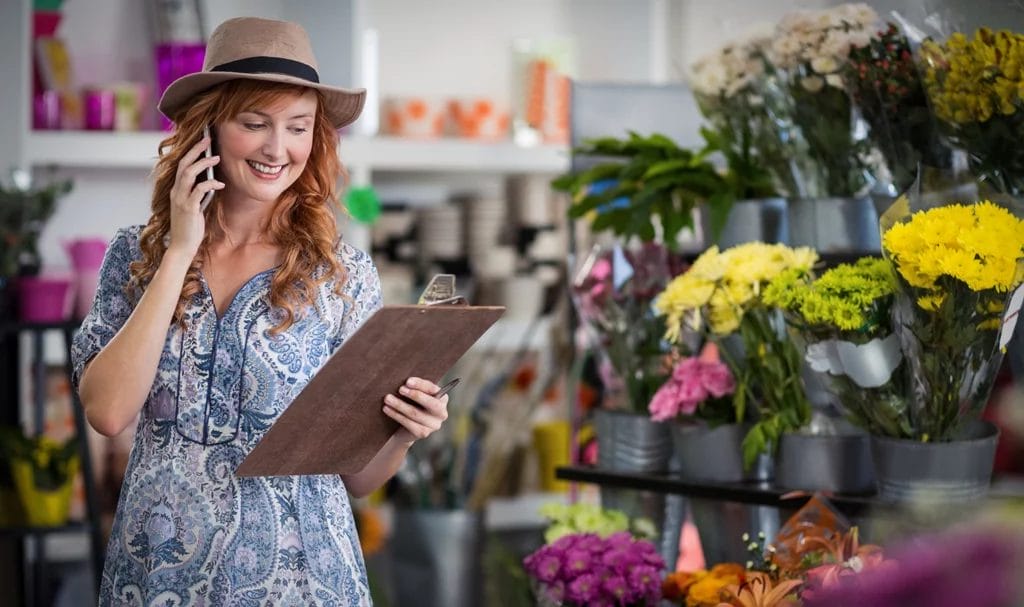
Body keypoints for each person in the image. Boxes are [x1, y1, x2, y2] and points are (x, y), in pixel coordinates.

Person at [71, 17, 449, 606]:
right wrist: (178, 250)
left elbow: (359, 479)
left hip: (302, 579)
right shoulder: (135, 255)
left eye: (298, 127)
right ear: (208, 132)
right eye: (255, 124)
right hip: (158, 576)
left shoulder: (341, 276)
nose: (279, 149)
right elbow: (108, 412)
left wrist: (403, 432)